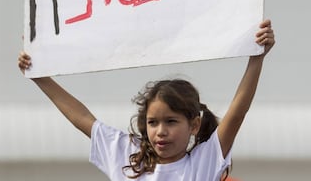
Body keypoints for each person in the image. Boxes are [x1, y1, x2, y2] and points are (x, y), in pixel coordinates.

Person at [18, 19, 275, 181]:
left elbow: (238, 111)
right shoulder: (128, 157)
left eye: (171, 121)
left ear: (194, 125)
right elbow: (82, 118)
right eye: (153, 122)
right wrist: (40, 76)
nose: (161, 132)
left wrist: (257, 58)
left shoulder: (203, 164)